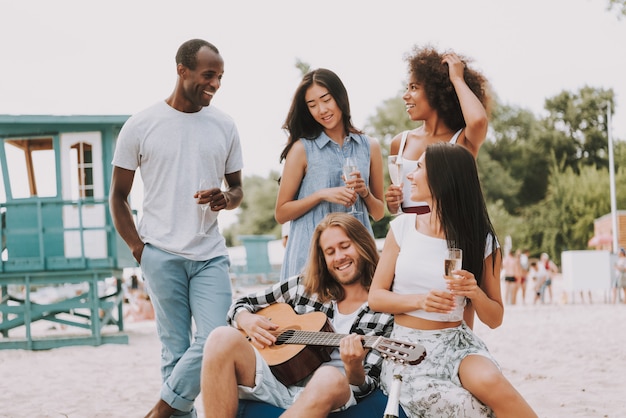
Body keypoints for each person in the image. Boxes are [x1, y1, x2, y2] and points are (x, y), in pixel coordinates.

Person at [109, 39, 244, 418]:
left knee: (217, 336)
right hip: (160, 253)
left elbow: (237, 189)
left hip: (209, 254)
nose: (215, 84)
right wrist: (140, 250)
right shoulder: (141, 125)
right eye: (208, 75)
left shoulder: (224, 125)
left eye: (219, 77)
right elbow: (118, 197)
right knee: (174, 348)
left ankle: (159, 412)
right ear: (182, 70)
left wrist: (225, 198)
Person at [369, 143, 537, 417]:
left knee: (495, 386)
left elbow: (495, 318)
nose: (411, 175)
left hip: (456, 343)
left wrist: (475, 292)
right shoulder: (402, 229)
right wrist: (420, 300)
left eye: (420, 167)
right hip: (408, 349)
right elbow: (375, 297)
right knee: (471, 408)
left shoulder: (481, 240)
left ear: (442, 178)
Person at [201, 213, 394, 418]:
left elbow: (368, 386)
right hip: (280, 381)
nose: (339, 257)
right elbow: (241, 304)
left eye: (345, 246)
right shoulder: (302, 287)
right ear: (323, 258)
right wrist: (246, 320)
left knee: (328, 376)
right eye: (330, 252)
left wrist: (353, 367)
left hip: (333, 393)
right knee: (220, 338)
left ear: (362, 244)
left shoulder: (384, 308)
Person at [275, 68, 385, 282]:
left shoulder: (370, 146)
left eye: (326, 100)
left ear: (340, 97)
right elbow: (281, 213)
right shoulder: (301, 149)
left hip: (357, 257)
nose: (322, 110)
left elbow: (379, 213)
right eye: (312, 105)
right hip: (310, 259)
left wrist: (365, 193)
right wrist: (321, 194)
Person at [385, 45, 491, 215]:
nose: (405, 95)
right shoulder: (400, 142)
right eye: (407, 88)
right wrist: (392, 204)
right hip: (410, 235)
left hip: (448, 235)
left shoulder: (462, 140)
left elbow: (479, 120)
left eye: (414, 87)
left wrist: (457, 79)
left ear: (436, 92)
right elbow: (398, 207)